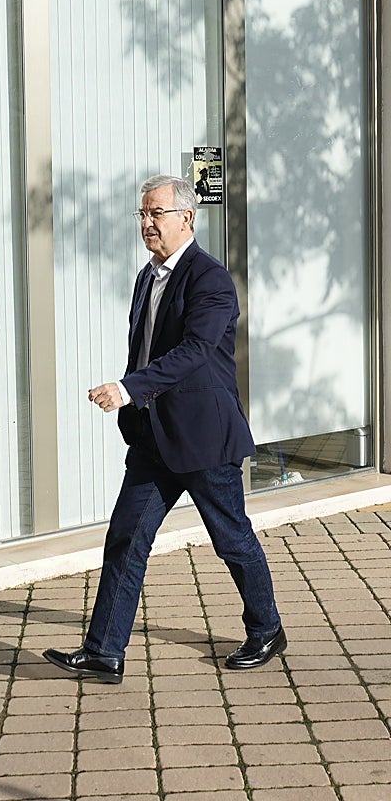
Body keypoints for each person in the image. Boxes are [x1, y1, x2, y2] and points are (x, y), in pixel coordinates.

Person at [44, 174, 284, 685]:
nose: (147, 223)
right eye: (143, 214)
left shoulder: (210, 279)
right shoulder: (146, 277)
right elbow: (146, 348)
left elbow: (195, 353)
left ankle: (266, 629)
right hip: (153, 436)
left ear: (186, 218)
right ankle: (105, 652)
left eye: (157, 213)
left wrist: (127, 389)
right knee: (126, 538)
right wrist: (136, 406)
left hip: (204, 437)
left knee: (231, 539)